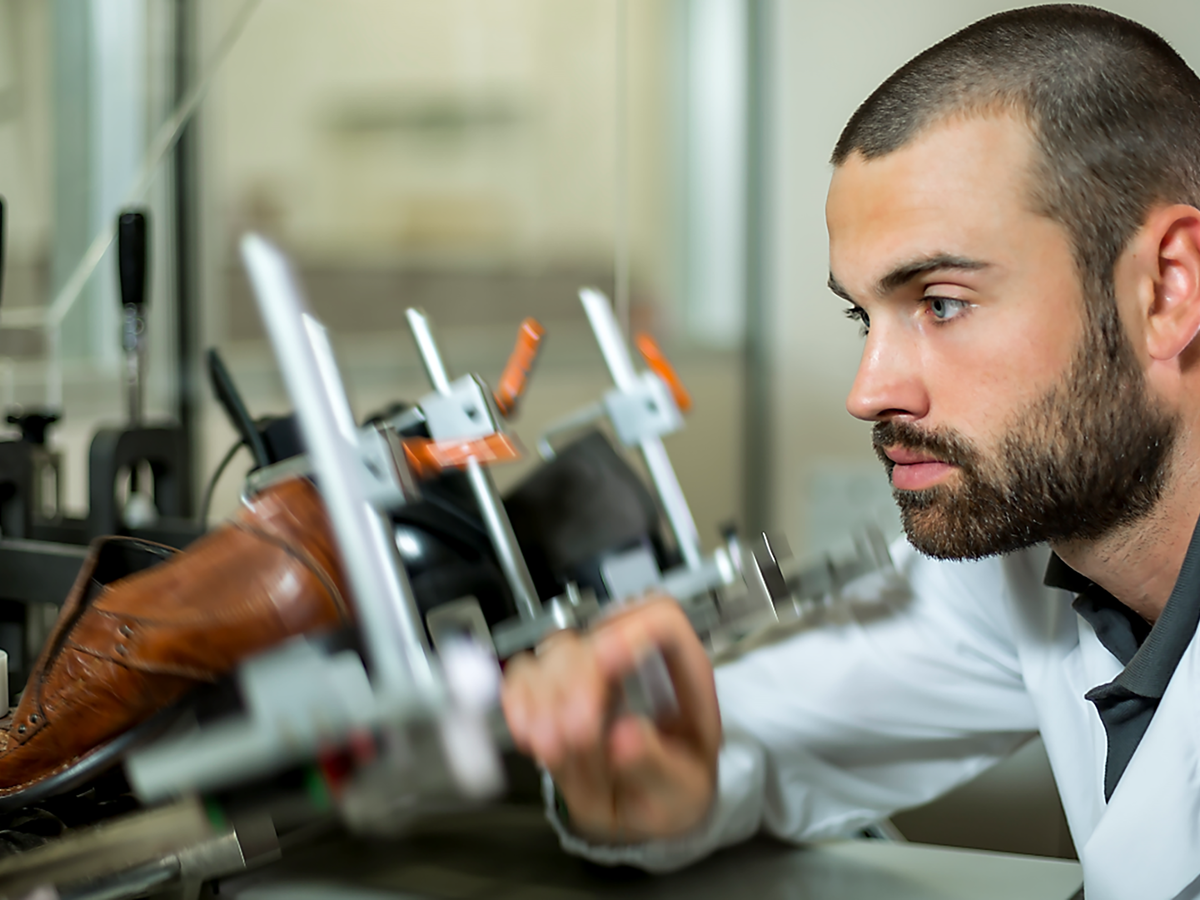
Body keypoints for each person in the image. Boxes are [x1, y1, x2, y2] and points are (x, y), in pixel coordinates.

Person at [500, 6, 1200, 899]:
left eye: (941, 302)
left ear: (1168, 289)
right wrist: (648, 784)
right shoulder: (1025, 574)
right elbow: (746, 735)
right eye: (863, 315)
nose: (868, 392)